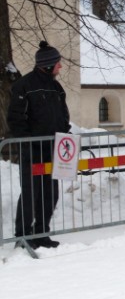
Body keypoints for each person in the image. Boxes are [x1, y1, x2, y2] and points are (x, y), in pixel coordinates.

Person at [8, 40, 70, 249]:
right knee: (30, 194)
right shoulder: (24, 85)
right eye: (58, 63)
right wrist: (28, 142)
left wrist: (65, 137)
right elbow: (16, 119)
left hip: (53, 150)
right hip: (32, 150)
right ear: (47, 65)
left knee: (50, 193)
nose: (60, 67)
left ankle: (41, 233)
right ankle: (23, 236)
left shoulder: (56, 86)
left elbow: (63, 115)